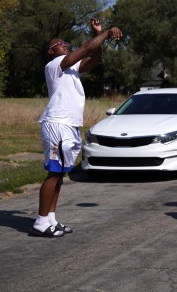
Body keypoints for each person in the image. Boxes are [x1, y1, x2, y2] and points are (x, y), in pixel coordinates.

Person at [32, 18, 122, 238]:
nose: (65, 45)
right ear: (51, 52)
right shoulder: (54, 65)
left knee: (61, 173)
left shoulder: (72, 68)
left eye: (65, 43)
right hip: (57, 123)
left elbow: (95, 56)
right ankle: (41, 221)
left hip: (69, 125)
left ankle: (51, 219)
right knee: (53, 172)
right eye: (60, 44)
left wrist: (98, 35)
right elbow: (85, 49)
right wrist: (107, 33)